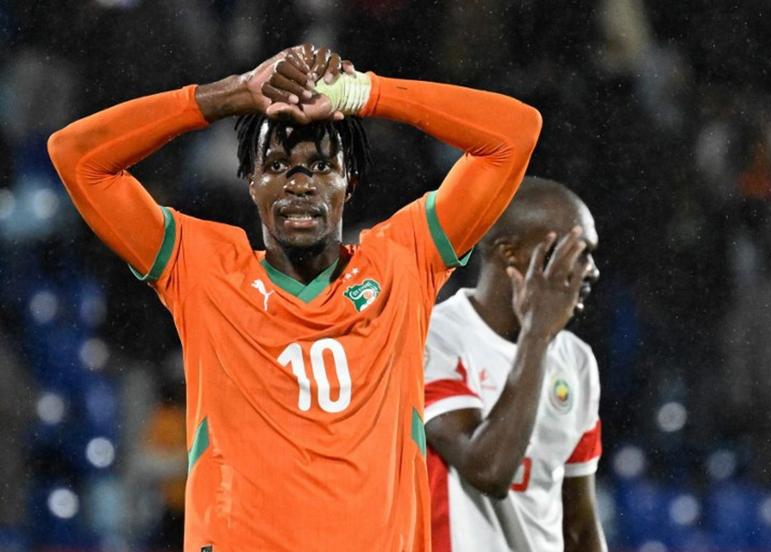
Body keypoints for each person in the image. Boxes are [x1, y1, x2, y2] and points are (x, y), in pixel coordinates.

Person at [47, 44, 541, 551]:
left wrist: (364, 92)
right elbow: (76, 156)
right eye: (278, 165)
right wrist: (231, 95)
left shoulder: (403, 261)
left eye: (322, 166)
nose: (300, 183)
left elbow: (514, 134)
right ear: (251, 184)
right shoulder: (202, 268)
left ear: (349, 184)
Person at [424, 177, 606, 551]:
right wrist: (536, 335)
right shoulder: (433, 338)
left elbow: (580, 527)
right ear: (510, 252)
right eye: (576, 250)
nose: (591, 270)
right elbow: (488, 469)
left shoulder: (576, 360)